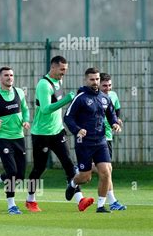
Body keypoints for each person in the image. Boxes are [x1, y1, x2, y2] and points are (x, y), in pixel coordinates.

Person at [26, 56, 94, 212]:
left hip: (57, 132)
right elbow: (45, 109)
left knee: (69, 165)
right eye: (62, 69)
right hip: (41, 134)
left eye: (66, 69)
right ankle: (30, 200)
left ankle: (80, 200)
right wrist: (67, 100)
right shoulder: (44, 84)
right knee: (39, 169)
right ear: (53, 67)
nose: (64, 73)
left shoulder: (59, 81)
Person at [64, 67, 121, 213]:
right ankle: (72, 183)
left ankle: (101, 206)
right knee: (85, 177)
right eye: (92, 79)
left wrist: (114, 123)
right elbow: (68, 117)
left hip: (101, 141)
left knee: (106, 172)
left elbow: (111, 114)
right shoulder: (81, 97)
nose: (95, 82)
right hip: (85, 143)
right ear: (86, 80)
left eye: (97, 79)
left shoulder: (104, 97)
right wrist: (77, 130)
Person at [0, 66, 30, 215]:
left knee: (20, 175)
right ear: (0, 78)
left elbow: (26, 109)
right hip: (3, 138)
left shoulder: (19, 92)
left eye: (11, 75)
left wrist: (26, 120)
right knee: (12, 171)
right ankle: (11, 205)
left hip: (19, 136)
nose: (10, 78)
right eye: (6, 75)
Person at [98, 73, 126, 210]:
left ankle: (79, 169)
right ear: (98, 84)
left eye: (109, 85)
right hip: (96, 137)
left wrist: (117, 121)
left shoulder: (113, 95)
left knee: (106, 170)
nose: (107, 88)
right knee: (107, 170)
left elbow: (116, 111)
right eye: (104, 85)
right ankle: (112, 201)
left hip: (108, 136)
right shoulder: (93, 97)